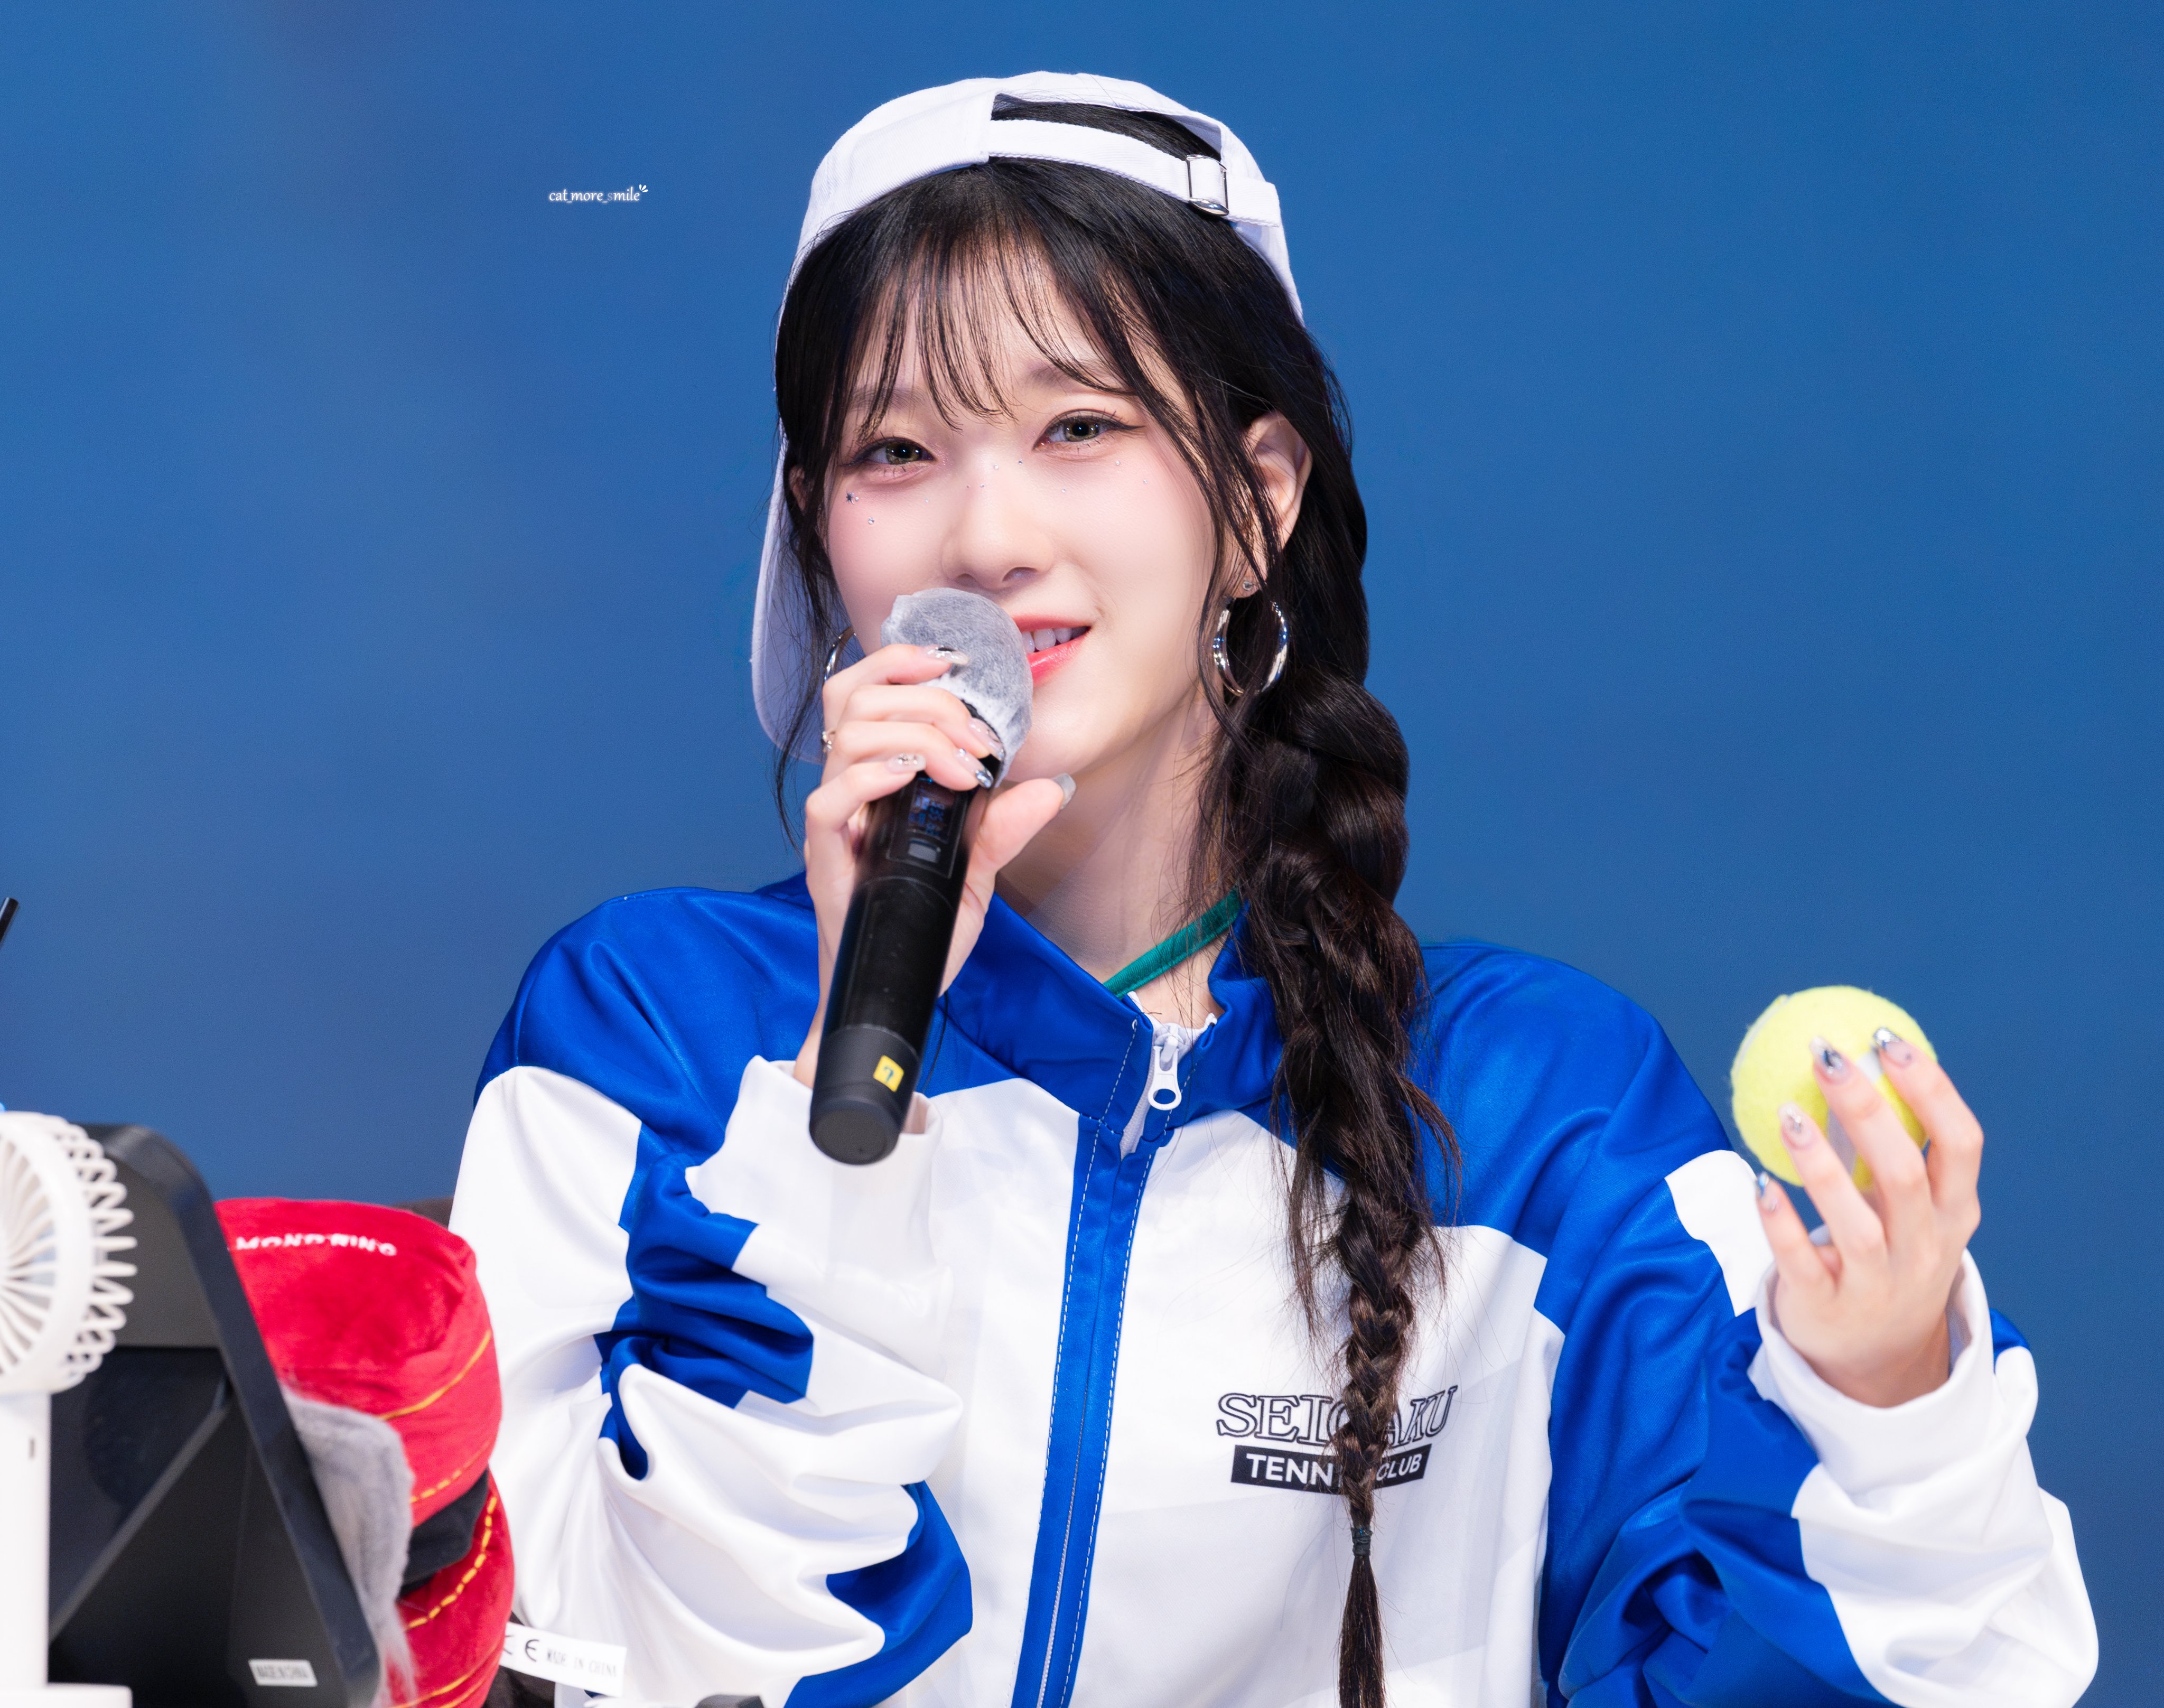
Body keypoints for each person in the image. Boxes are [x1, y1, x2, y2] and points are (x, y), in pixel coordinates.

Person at [449, 72, 2097, 1708]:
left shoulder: (1547, 1119)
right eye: (895, 449)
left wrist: (1886, 1405)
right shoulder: (648, 1034)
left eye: (1079, 427)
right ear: (820, 530)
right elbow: (555, 1661)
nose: (987, 534)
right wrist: (837, 1122)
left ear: (1257, 504)